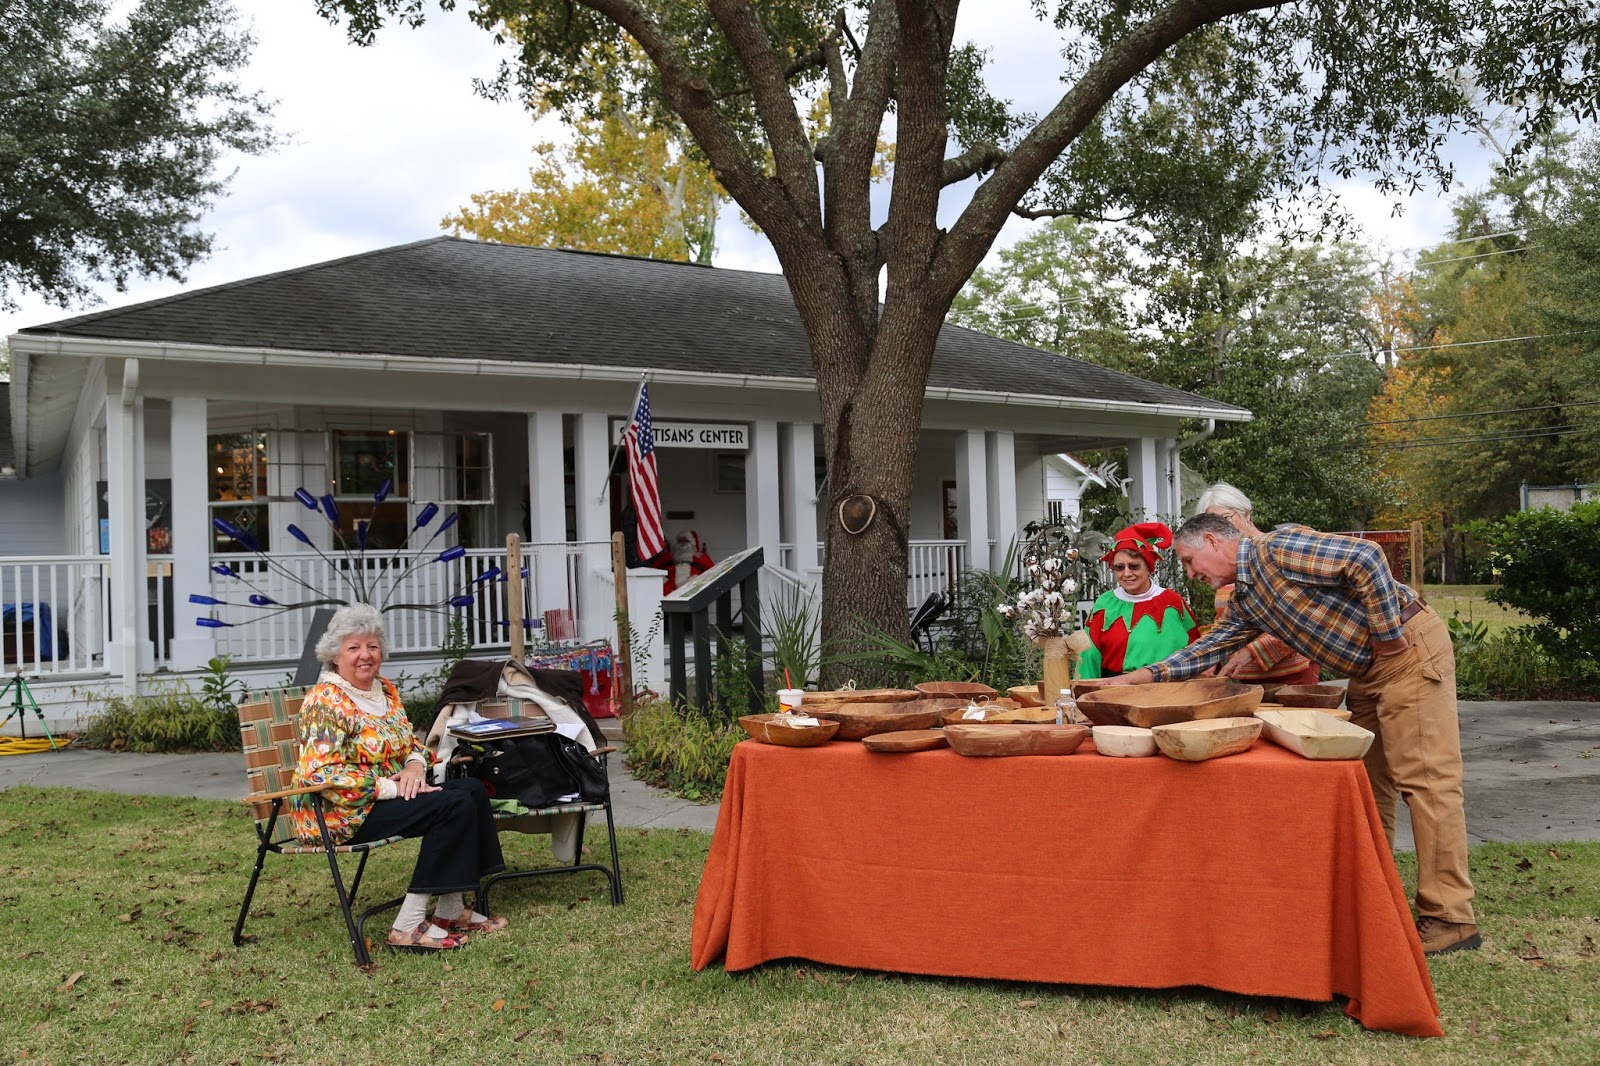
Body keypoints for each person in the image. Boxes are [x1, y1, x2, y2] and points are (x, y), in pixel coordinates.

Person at [1100, 513, 1479, 955]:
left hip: (1408, 651)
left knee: (1427, 782)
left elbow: (1367, 556)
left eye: (1188, 560)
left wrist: (1389, 636)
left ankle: (1451, 918)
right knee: (1370, 783)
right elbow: (1209, 647)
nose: (1189, 573)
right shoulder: (1247, 598)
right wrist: (1139, 678)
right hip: (1370, 667)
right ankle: (1379, 899)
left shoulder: (1275, 550)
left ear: (1212, 541)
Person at [291, 603, 508, 953]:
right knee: (450, 804)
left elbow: (413, 743)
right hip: (340, 812)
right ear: (335, 655)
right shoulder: (325, 700)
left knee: (470, 790)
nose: (365, 655)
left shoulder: (384, 691)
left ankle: (450, 910)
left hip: (383, 798)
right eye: (354, 647)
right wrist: (391, 787)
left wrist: (414, 767)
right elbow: (323, 773)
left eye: (372, 646)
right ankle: (406, 926)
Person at [1192, 483, 1319, 688]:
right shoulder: (1223, 569)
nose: (1220, 530)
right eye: (1211, 525)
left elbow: (1308, 614)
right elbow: (1224, 622)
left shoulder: (1280, 549)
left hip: (1293, 676)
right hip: (1244, 679)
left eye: (1225, 519)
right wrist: (1211, 659)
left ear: (1246, 514)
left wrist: (1255, 652)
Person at [1076, 521, 1199, 678]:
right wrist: (1084, 694)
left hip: (1168, 691)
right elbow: (1088, 657)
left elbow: (1196, 650)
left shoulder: (1172, 602)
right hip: (1114, 692)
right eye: (1119, 567)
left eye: (1134, 566)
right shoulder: (1104, 604)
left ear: (1148, 567)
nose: (1127, 574)